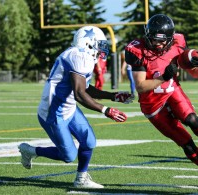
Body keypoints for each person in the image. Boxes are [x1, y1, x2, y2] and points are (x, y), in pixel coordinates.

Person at [125, 14, 198, 188]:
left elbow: (196, 74)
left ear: (171, 39)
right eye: (153, 39)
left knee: (192, 119)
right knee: (187, 143)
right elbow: (140, 86)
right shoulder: (137, 50)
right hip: (153, 105)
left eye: (161, 41)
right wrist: (164, 76)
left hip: (171, 91)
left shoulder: (178, 43)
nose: (156, 44)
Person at [18, 26, 133, 189]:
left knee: (89, 141)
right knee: (69, 155)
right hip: (53, 112)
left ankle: (81, 179)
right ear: (88, 43)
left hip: (68, 108)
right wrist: (106, 110)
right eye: (99, 44)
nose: (102, 48)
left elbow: (85, 87)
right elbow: (80, 93)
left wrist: (112, 96)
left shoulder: (82, 56)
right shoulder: (79, 56)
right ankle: (30, 151)